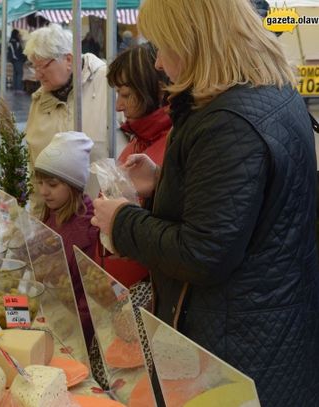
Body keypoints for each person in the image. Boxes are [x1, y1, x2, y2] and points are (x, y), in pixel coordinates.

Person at [91, 0, 319, 405]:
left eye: (163, 45)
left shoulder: (228, 119)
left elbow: (205, 252)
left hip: (237, 342)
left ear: (194, 40)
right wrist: (165, 181)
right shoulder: (267, 91)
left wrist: (121, 221)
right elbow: (246, 207)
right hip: (266, 324)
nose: (158, 62)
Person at [97, 42, 171, 291]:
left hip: (152, 292)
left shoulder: (176, 143)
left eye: (125, 94)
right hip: (122, 286)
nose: (118, 105)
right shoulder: (138, 140)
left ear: (157, 90)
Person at [24, 24, 109, 214]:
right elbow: (35, 172)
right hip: (59, 223)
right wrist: (37, 224)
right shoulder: (39, 101)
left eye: (43, 66)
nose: (37, 74)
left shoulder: (108, 83)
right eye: (33, 66)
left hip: (102, 217)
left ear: (68, 60)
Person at [34, 131, 98, 345]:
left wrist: (70, 328)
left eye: (52, 185)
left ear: (73, 186)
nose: (43, 191)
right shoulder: (51, 212)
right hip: (50, 312)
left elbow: (91, 297)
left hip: (72, 331)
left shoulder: (88, 230)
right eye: (40, 183)